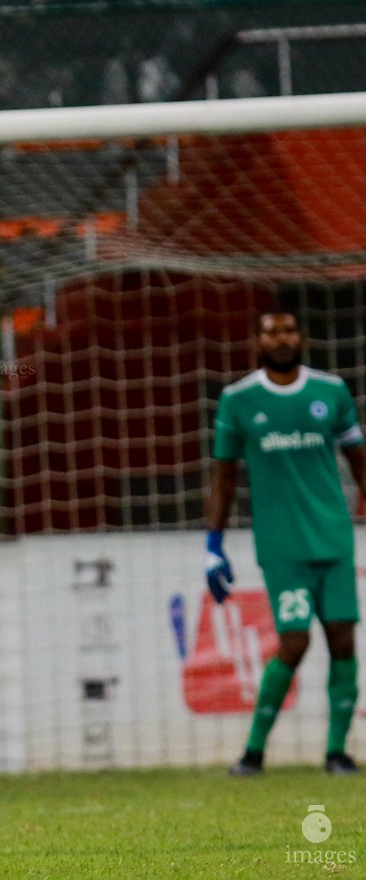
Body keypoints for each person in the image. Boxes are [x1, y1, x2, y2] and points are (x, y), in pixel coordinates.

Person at [205, 310, 366, 776]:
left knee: (343, 641)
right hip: (281, 547)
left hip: (333, 540)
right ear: (257, 340)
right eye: (272, 331)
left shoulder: (331, 392)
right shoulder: (238, 400)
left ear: (303, 337)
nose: (282, 339)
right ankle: (253, 752)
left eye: (289, 330)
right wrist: (212, 543)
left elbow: (359, 461)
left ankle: (337, 753)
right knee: (293, 644)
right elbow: (224, 475)